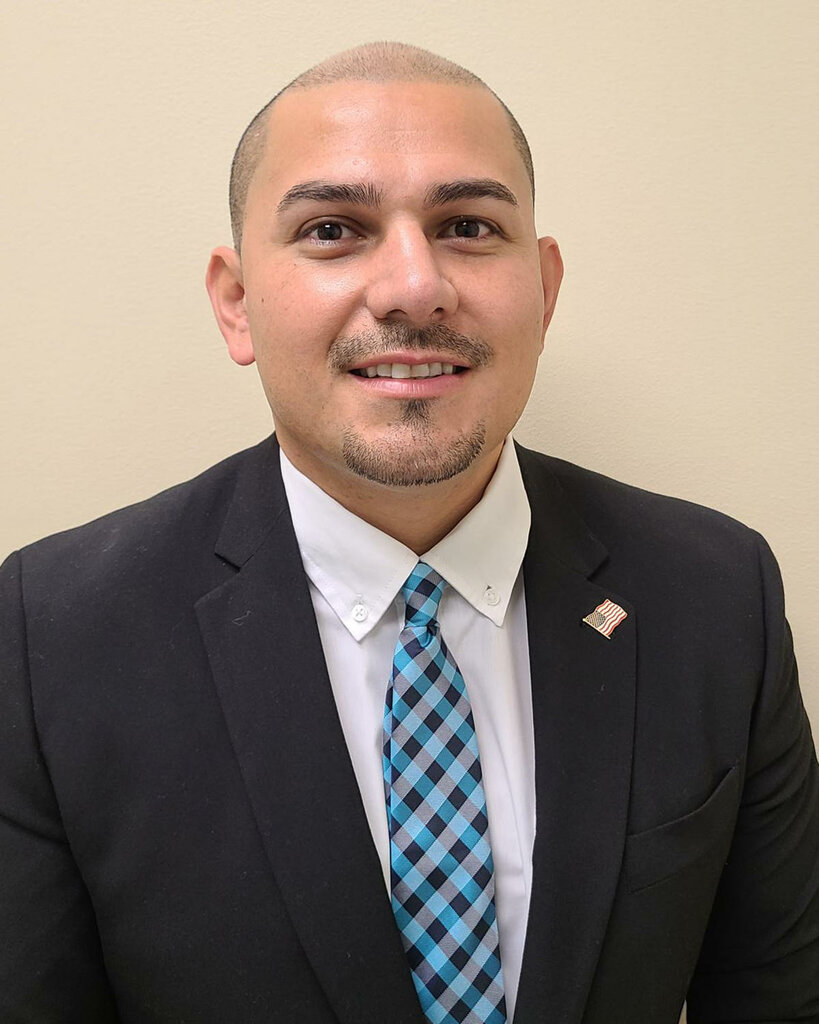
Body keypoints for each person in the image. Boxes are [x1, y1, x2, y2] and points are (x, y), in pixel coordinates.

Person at [1, 40, 817, 1024]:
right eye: (332, 230)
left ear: (544, 289)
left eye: (467, 226)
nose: (412, 286)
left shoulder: (715, 595)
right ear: (237, 302)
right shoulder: (53, 634)